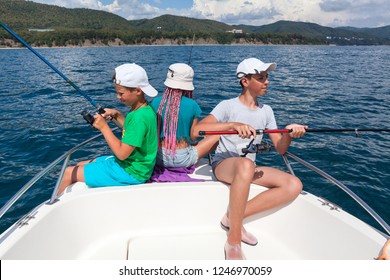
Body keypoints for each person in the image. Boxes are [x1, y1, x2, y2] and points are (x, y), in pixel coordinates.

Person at [193, 58, 307, 260]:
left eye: (267, 78)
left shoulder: (267, 111)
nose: (266, 82)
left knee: (293, 184)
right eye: (261, 78)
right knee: (246, 164)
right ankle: (233, 241)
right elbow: (197, 130)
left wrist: (290, 133)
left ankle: (233, 217)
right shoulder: (227, 106)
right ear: (245, 81)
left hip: (246, 169)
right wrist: (232, 125)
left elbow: (280, 148)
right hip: (224, 165)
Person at [57, 63, 158, 195]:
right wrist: (117, 115)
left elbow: (122, 154)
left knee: (68, 172)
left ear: (137, 91)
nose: (118, 97)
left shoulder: (139, 118)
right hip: (135, 166)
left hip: (131, 172)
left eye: (121, 93)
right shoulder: (145, 109)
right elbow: (134, 133)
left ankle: (52, 205)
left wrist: (104, 128)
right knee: (80, 163)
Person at [150, 63, 218, 174]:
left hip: (158, 158)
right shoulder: (192, 105)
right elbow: (193, 137)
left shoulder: (155, 102)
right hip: (182, 159)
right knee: (217, 137)